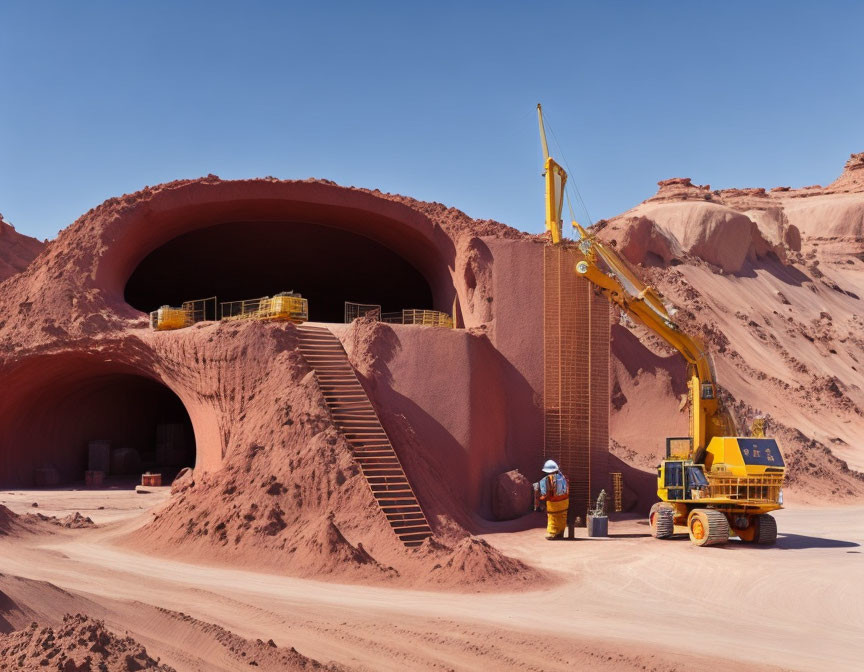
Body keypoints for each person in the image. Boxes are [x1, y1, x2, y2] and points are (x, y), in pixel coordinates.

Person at [534, 459, 569, 540]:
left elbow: (545, 493)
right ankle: (560, 533)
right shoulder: (563, 477)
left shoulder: (547, 479)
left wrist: (540, 498)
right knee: (562, 517)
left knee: (552, 517)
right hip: (565, 502)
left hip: (553, 502)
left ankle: (552, 533)